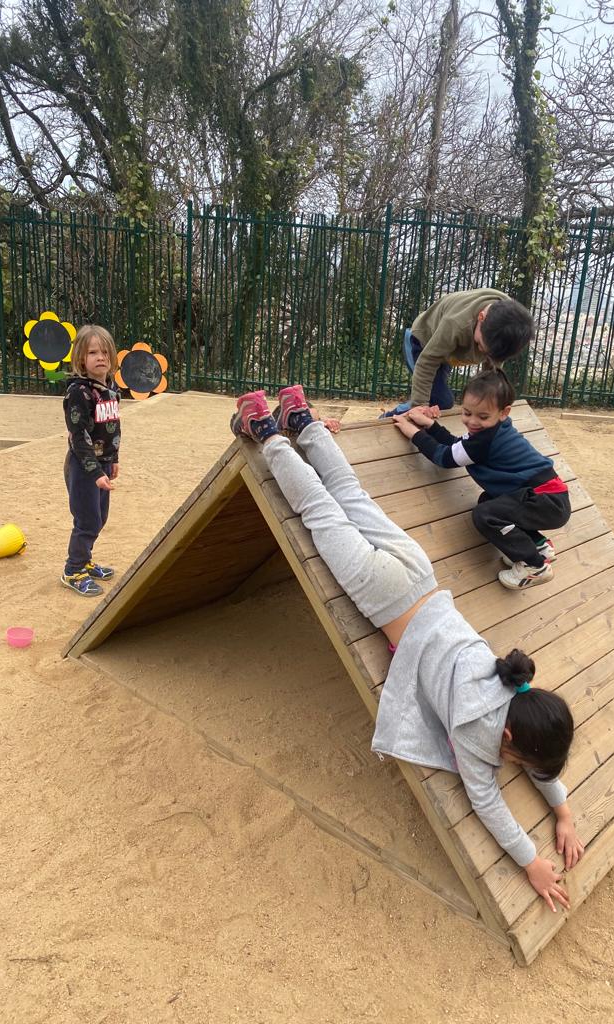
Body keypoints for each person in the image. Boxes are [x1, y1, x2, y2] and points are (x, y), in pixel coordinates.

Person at [231, 384, 584, 911]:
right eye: (517, 759)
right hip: (383, 594)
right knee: (319, 511)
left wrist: (563, 810)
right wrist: (531, 860)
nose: (513, 766)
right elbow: (488, 804)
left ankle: (301, 418)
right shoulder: (475, 733)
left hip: (420, 573)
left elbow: (541, 751)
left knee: (350, 494)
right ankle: (266, 432)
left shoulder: (512, 680)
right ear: (508, 737)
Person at [392, 369, 570, 590]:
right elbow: (457, 446)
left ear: (504, 412)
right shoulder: (493, 431)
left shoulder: (485, 440)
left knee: (485, 515)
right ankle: (538, 546)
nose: (472, 421)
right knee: (488, 501)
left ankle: (535, 566)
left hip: (545, 500)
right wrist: (430, 426)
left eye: (482, 416)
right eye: (467, 413)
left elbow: (445, 458)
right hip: (546, 497)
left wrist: (414, 433)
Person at [380, 288, 535, 417]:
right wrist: (419, 406)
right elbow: (427, 362)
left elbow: (492, 369)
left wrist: (490, 401)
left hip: (448, 352)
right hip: (422, 343)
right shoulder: (456, 323)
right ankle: (390, 417)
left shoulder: (510, 322)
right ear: (481, 318)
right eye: (480, 345)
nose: (482, 352)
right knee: (440, 401)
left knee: (438, 400)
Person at [60, 325, 121, 596]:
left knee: (100, 517)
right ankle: (73, 570)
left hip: (103, 463)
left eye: (105, 352)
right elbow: (78, 436)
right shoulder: (79, 392)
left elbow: (113, 426)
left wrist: (113, 458)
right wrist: (95, 472)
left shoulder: (111, 388)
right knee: (87, 520)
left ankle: (85, 561)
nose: (101, 357)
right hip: (84, 466)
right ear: (81, 359)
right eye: (93, 352)